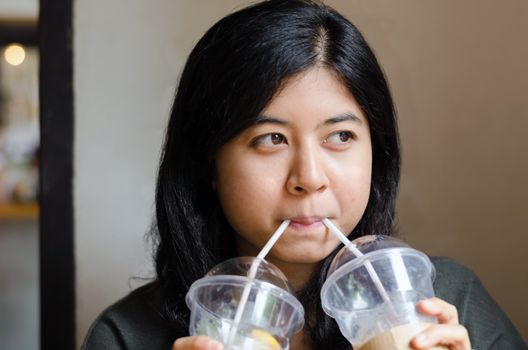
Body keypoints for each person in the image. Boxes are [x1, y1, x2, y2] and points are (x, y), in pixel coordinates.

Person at [82, 1, 526, 349]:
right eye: (272, 139)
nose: (309, 178)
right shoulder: (126, 336)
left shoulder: (448, 300)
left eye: (340, 137)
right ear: (207, 163)